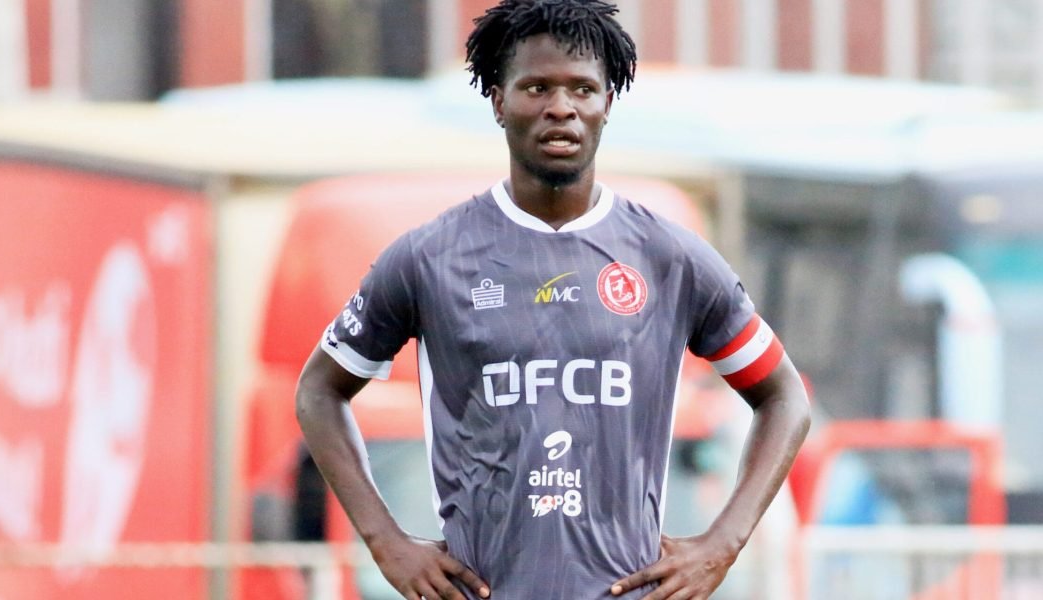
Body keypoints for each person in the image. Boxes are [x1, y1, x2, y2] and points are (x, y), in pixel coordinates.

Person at [294, 1, 811, 598]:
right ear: (497, 100)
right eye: (536, 86)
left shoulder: (670, 257)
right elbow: (319, 390)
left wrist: (722, 545)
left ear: (607, 104)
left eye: (582, 89)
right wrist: (387, 543)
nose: (560, 107)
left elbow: (783, 396)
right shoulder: (429, 257)